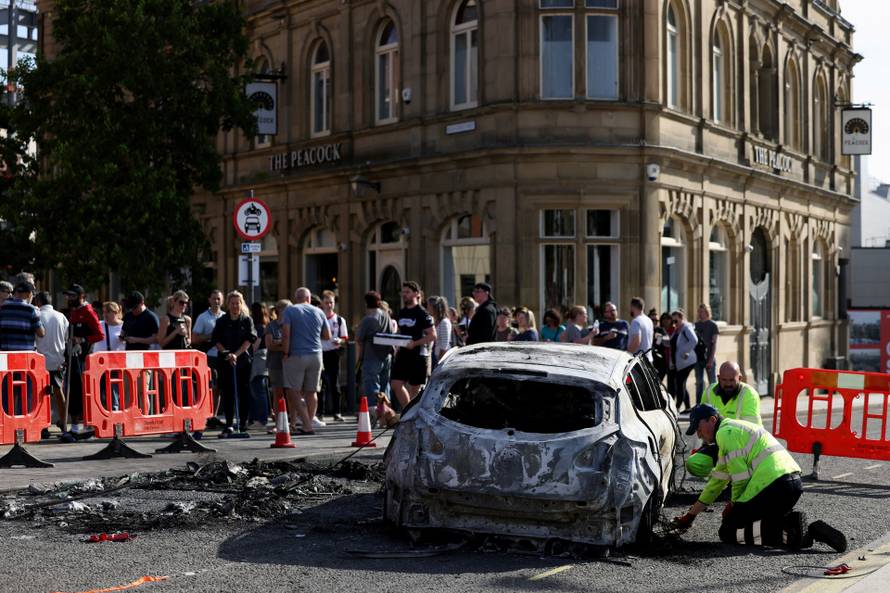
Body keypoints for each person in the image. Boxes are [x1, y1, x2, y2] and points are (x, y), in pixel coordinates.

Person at [672, 404, 847, 552]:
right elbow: (715, 484)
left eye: (698, 428)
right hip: (792, 483)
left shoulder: (726, 433)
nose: (699, 434)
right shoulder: (736, 429)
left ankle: (797, 536)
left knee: (728, 531)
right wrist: (691, 515)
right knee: (746, 519)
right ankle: (791, 523)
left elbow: (740, 478)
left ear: (712, 419)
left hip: (773, 486)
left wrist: (734, 505)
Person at [686, 361, 763, 480]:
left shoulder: (749, 394)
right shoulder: (709, 392)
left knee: (734, 469)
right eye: (724, 380)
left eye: (732, 380)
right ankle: (723, 478)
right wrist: (701, 447)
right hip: (719, 445)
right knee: (693, 463)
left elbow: (751, 433)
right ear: (718, 378)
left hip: (742, 449)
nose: (728, 384)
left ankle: (734, 478)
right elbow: (700, 421)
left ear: (740, 378)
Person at [281, 287, 330, 434]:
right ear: (309, 299)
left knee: (292, 391)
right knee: (311, 391)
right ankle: (308, 423)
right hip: (316, 355)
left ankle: (307, 424)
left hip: (296, 354)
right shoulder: (319, 311)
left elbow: (286, 334)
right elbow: (327, 336)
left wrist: (285, 352)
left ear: (297, 298)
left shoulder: (290, 310)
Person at [211, 290, 257, 434]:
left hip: (242, 361)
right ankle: (229, 423)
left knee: (243, 393)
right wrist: (228, 354)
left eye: (238, 303)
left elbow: (249, 340)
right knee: (228, 393)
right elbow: (216, 340)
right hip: (225, 361)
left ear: (241, 304)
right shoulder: (221, 321)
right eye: (232, 303)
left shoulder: (247, 320)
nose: (235, 306)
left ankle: (242, 423)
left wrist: (236, 354)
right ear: (228, 304)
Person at [62, 284, 104, 441]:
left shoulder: (88, 311)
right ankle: (74, 427)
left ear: (81, 296)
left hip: (83, 357)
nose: (69, 299)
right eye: (68, 296)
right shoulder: (73, 311)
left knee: (80, 390)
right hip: (72, 356)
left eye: (72, 296)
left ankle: (83, 427)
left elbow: (100, 335)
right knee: (72, 390)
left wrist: (83, 339)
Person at [0, 282, 45, 415]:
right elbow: (41, 333)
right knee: (24, 391)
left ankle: (6, 421)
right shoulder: (30, 310)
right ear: (27, 294)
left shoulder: (2, 308)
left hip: (5, 357)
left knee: (6, 391)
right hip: (24, 358)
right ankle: (21, 421)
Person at [390, 281, 436, 407]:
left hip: (418, 355)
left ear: (416, 294)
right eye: (403, 292)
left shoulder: (422, 313)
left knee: (415, 390)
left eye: (407, 292)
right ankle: (407, 413)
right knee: (396, 384)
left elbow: (432, 335)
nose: (404, 295)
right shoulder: (402, 311)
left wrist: (415, 343)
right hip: (403, 354)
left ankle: (412, 417)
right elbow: (401, 331)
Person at [34, 292, 69, 438]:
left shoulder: (37, 315)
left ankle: (43, 426)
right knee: (59, 391)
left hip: (40, 360)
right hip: (57, 359)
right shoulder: (61, 316)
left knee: (39, 394)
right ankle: (64, 421)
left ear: (38, 302)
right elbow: (66, 337)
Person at [191, 290, 225, 426]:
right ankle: (206, 415)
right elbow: (194, 338)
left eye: (218, 299)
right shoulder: (203, 317)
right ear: (209, 300)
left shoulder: (225, 316)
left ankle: (214, 416)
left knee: (219, 387)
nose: (216, 301)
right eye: (214, 299)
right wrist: (211, 336)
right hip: (209, 356)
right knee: (210, 387)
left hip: (223, 356)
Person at [356, 290, 394, 409]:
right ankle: (386, 412)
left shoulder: (368, 319)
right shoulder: (386, 315)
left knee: (371, 387)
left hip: (371, 356)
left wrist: (359, 358)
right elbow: (391, 333)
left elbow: (359, 338)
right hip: (386, 356)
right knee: (384, 385)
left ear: (366, 303)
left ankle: (373, 413)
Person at [320, 290, 348, 422]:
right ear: (322, 303)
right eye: (326, 302)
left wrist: (339, 341)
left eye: (331, 302)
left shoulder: (339, 320)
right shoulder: (319, 317)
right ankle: (320, 413)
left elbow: (344, 337)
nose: (329, 305)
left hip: (333, 353)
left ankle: (337, 412)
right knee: (321, 384)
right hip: (320, 353)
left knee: (334, 383)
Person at [265, 299, 291, 430]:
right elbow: (270, 345)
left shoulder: (293, 325)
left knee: (291, 393)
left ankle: (290, 422)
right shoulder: (271, 326)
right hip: (275, 363)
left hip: (290, 363)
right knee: (278, 393)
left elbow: (292, 343)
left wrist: (280, 343)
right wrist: (285, 344)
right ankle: (278, 423)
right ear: (280, 310)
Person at [670, 308, 698, 412]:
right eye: (673, 321)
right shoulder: (678, 329)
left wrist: (685, 351)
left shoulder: (686, 328)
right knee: (681, 383)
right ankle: (687, 406)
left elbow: (694, 340)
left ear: (682, 319)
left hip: (687, 361)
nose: (674, 323)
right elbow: (674, 344)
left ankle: (677, 407)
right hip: (680, 362)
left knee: (679, 382)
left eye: (676, 321)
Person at [249, 301, 271, 428]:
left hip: (258, 360)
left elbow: (255, 346)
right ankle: (262, 417)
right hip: (265, 358)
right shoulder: (266, 325)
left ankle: (261, 419)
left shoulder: (258, 328)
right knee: (262, 389)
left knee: (258, 389)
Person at [694, 303, 720, 404]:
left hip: (709, 358)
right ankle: (699, 404)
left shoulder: (713, 325)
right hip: (698, 358)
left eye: (702, 312)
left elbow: (714, 344)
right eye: (699, 312)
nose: (700, 314)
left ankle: (715, 404)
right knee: (699, 382)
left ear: (707, 312)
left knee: (712, 383)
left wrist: (710, 360)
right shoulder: (695, 325)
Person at [426, 295, 452, 366]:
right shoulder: (432, 320)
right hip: (433, 356)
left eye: (429, 306)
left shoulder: (444, 322)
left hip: (440, 358)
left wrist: (439, 362)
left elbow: (444, 345)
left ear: (435, 307)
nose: (427, 308)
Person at [652, 312, 672, 384]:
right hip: (648, 361)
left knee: (657, 384)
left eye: (656, 320)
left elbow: (668, 341)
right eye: (652, 320)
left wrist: (660, 337)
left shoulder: (660, 330)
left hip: (660, 363)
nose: (654, 322)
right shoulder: (646, 329)